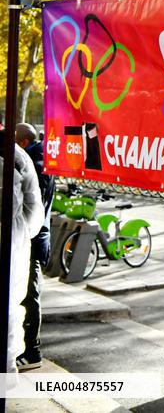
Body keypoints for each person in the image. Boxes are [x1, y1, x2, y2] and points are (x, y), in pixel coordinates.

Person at [0, 125, 43, 372]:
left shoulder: (16, 156)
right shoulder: (18, 155)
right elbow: (33, 209)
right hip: (13, 240)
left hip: (13, 239)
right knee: (8, 309)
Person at [15, 123, 53, 370]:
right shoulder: (41, 161)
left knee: (30, 295)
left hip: (33, 240)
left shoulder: (34, 166)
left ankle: (32, 351)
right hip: (35, 238)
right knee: (28, 294)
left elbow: (28, 206)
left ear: (24, 143)